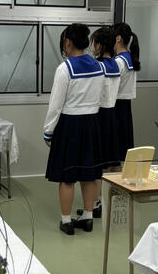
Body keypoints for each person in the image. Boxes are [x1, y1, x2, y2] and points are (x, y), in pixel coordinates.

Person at [44, 23, 103, 235]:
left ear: (67, 42)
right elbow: (102, 97)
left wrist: (48, 131)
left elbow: (56, 104)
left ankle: (67, 221)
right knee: (89, 174)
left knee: (67, 176)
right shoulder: (99, 66)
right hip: (92, 123)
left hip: (70, 125)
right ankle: (88, 217)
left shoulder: (65, 68)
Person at [77, 26, 120, 219]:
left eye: (93, 43)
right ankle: (101, 202)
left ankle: (95, 204)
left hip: (98, 115)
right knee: (108, 162)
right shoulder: (115, 64)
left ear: (100, 45)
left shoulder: (98, 66)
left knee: (96, 164)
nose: (91, 46)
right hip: (112, 114)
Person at [113, 22, 141, 165]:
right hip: (125, 108)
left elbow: (111, 88)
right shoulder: (130, 57)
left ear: (118, 38)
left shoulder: (118, 62)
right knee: (119, 155)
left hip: (115, 107)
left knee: (112, 156)